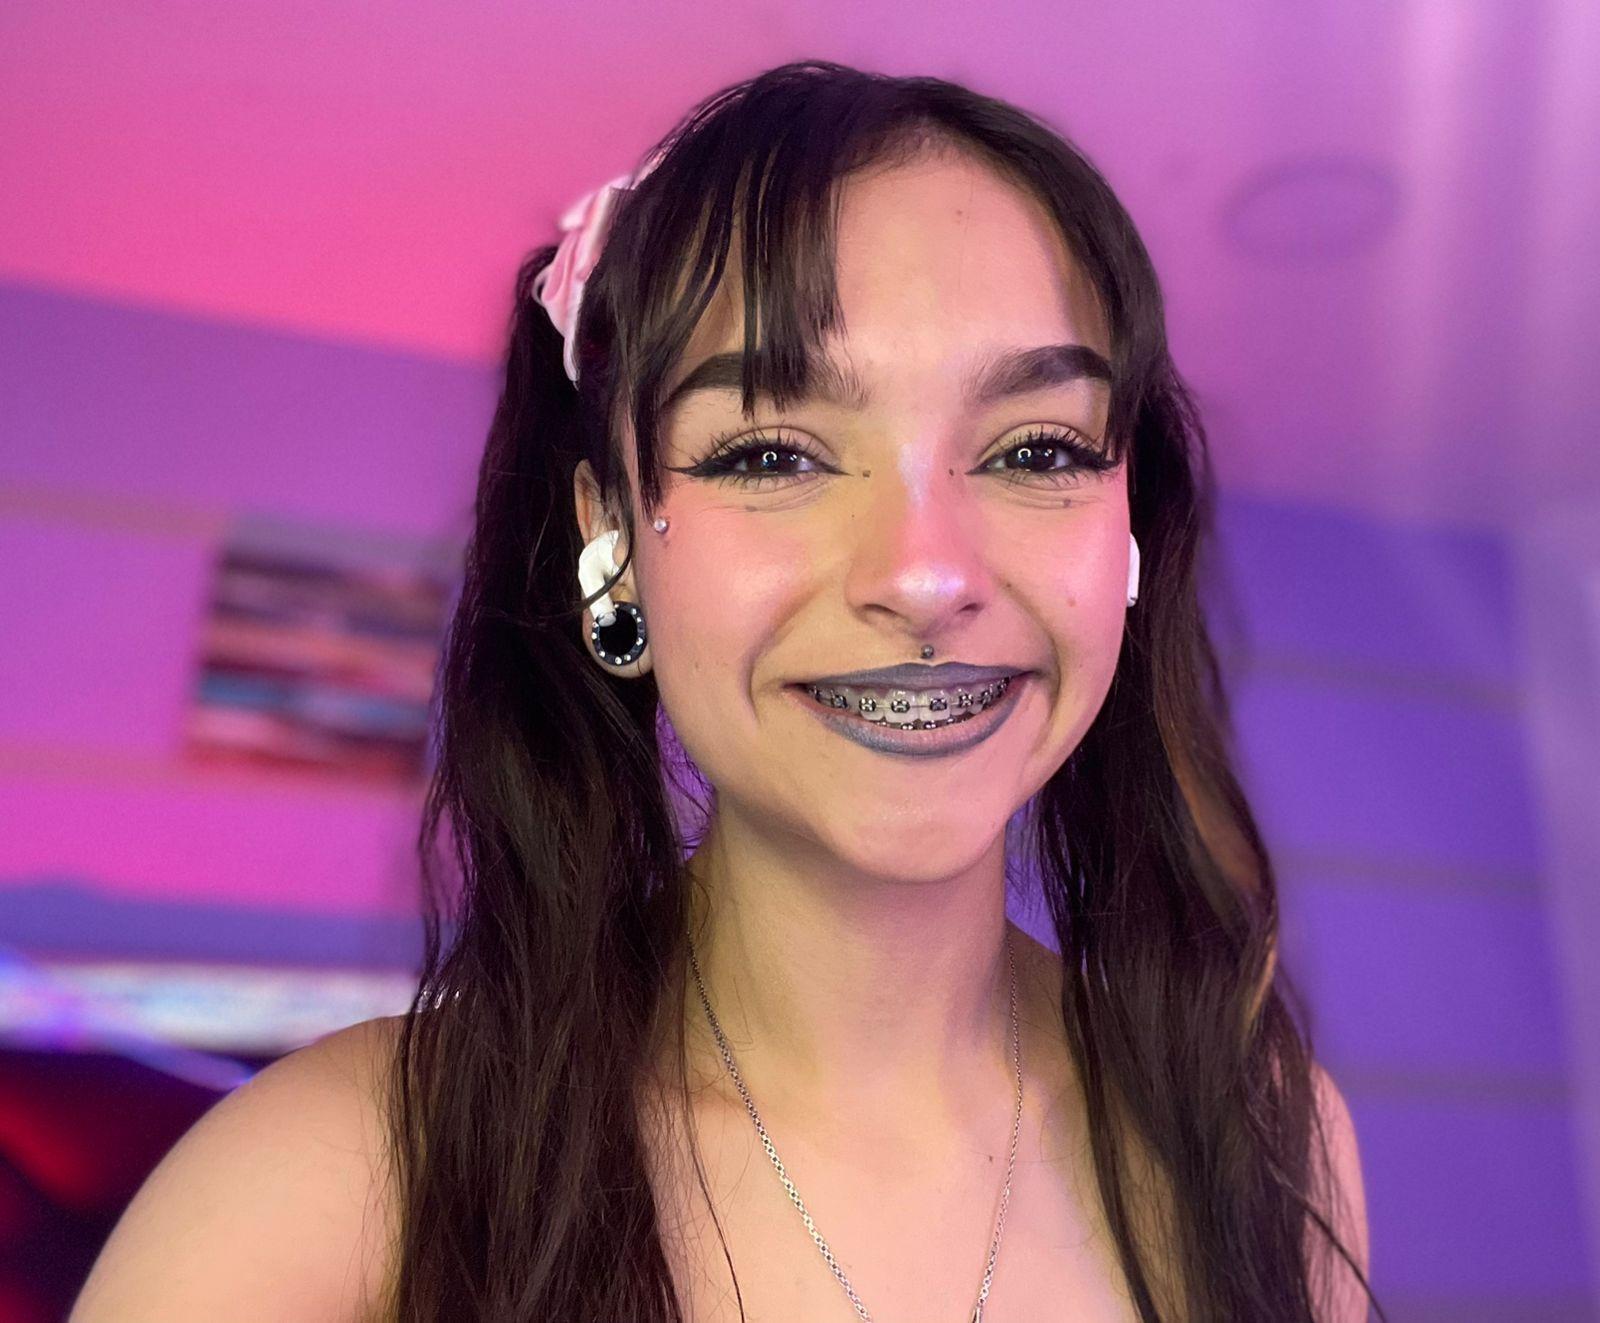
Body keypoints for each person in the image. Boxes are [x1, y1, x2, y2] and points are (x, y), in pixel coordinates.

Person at [70, 60, 1379, 1323]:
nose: (927, 576)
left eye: (1036, 449)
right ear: (613, 537)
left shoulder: (1264, 1133)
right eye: (769, 455)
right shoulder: (319, 1195)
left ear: (1128, 531)